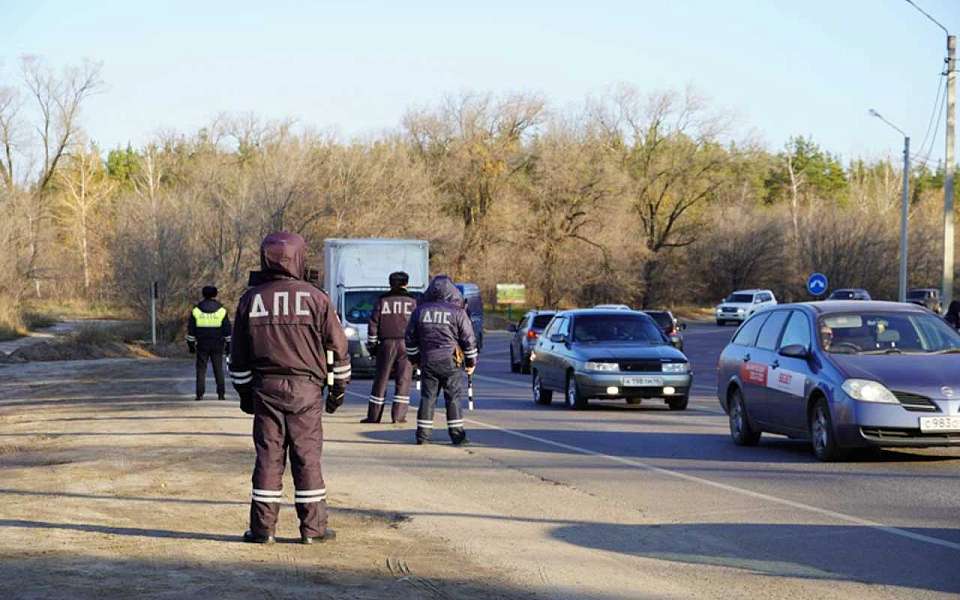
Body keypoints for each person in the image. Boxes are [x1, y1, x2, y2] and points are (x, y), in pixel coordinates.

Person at [229, 232, 351, 545]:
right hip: (306, 390)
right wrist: (336, 392)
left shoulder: (250, 300)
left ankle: (262, 530)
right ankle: (312, 530)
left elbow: (238, 358)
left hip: (265, 390)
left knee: (268, 459)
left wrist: (246, 397)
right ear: (298, 258)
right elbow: (338, 349)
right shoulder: (317, 298)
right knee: (307, 458)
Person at [404, 275, 477, 446]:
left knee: (428, 398)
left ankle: (423, 436)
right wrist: (471, 363)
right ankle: (457, 436)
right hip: (451, 361)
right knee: (453, 398)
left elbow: (410, 338)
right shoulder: (457, 312)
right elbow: (468, 339)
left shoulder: (420, 311)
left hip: (428, 360)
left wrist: (415, 359)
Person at [362, 271, 417, 424]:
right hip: (406, 344)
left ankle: (374, 416)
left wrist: (372, 345)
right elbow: (416, 324)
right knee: (404, 380)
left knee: (381, 380)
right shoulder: (413, 301)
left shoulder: (382, 300)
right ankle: (398, 417)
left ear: (390, 283)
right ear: (406, 284)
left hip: (386, 344)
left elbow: (373, 323)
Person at [186, 285, 231, 401]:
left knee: (201, 369)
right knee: (218, 369)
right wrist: (229, 346)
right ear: (215, 294)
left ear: (203, 294)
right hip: (217, 344)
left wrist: (191, 346)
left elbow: (191, 330)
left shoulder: (196, 310)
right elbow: (227, 329)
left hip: (202, 344)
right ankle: (221, 394)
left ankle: (199, 394)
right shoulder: (221, 310)